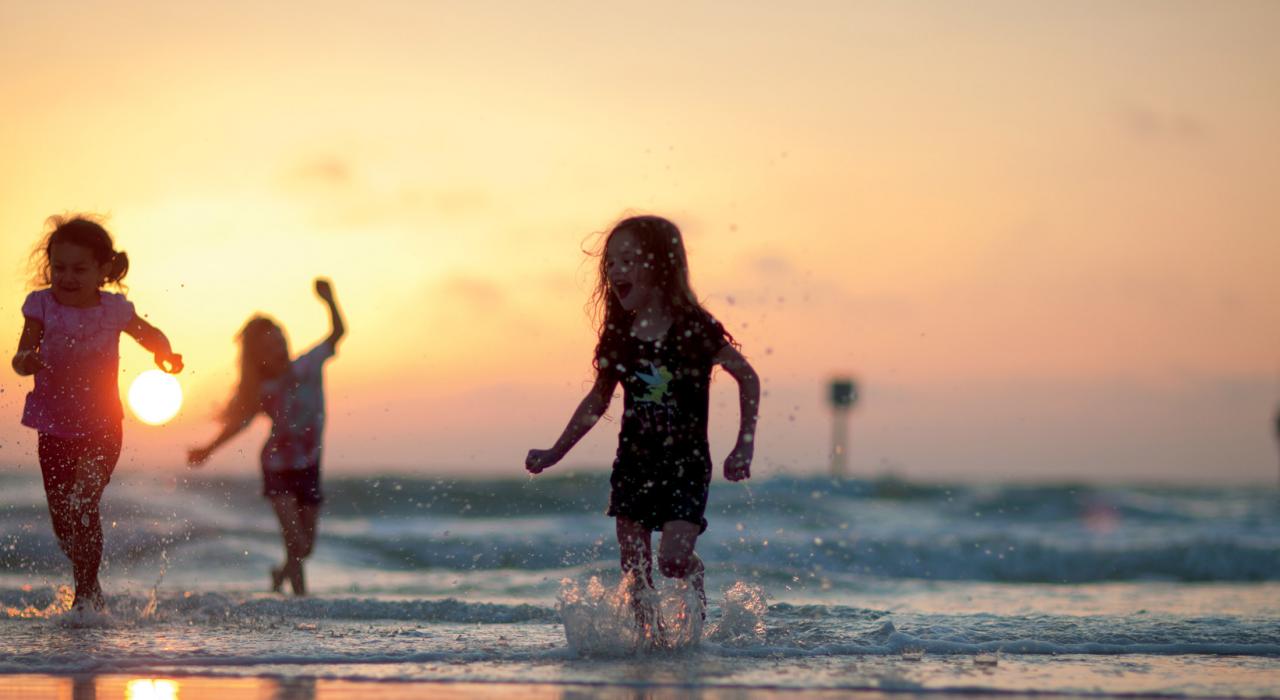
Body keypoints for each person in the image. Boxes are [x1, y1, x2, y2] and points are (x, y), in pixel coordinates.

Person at [525, 215, 760, 624]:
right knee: (634, 570)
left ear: (661, 266)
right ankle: (646, 646)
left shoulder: (694, 328)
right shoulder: (619, 335)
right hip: (634, 462)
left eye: (629, 261)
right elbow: (597, 401)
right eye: (611, 264)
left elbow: (747, 377)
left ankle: (693, 573)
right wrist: (554, 452)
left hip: (686, 465)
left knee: (671, 562)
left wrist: (744, 444)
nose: (616, 271)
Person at [11, 215, 183, 612]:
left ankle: (86, 595)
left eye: (79, 268)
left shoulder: (114, 310)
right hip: (52, 428)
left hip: (103, 425)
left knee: (84, 502)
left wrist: (165, 353)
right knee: (62, 522)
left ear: (102, 271)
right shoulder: (40, 306)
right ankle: (90, 583)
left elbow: (149, 334)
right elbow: (23, 357)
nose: (67, 276)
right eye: (59, 267)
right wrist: (26, 360)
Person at [188, 279, 345, 596]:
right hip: (277, 467)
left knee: (306, 546)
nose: (279, 351)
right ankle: (301, 598)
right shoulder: (261, 390)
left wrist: (329, 301)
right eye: (270, 348)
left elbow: (338, 334)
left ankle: (281, 575)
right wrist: (208, 449)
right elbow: (239, 425)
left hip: (310, 464)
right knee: (294, 540)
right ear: (258, 356)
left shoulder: (308, 366)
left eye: (281, 342)